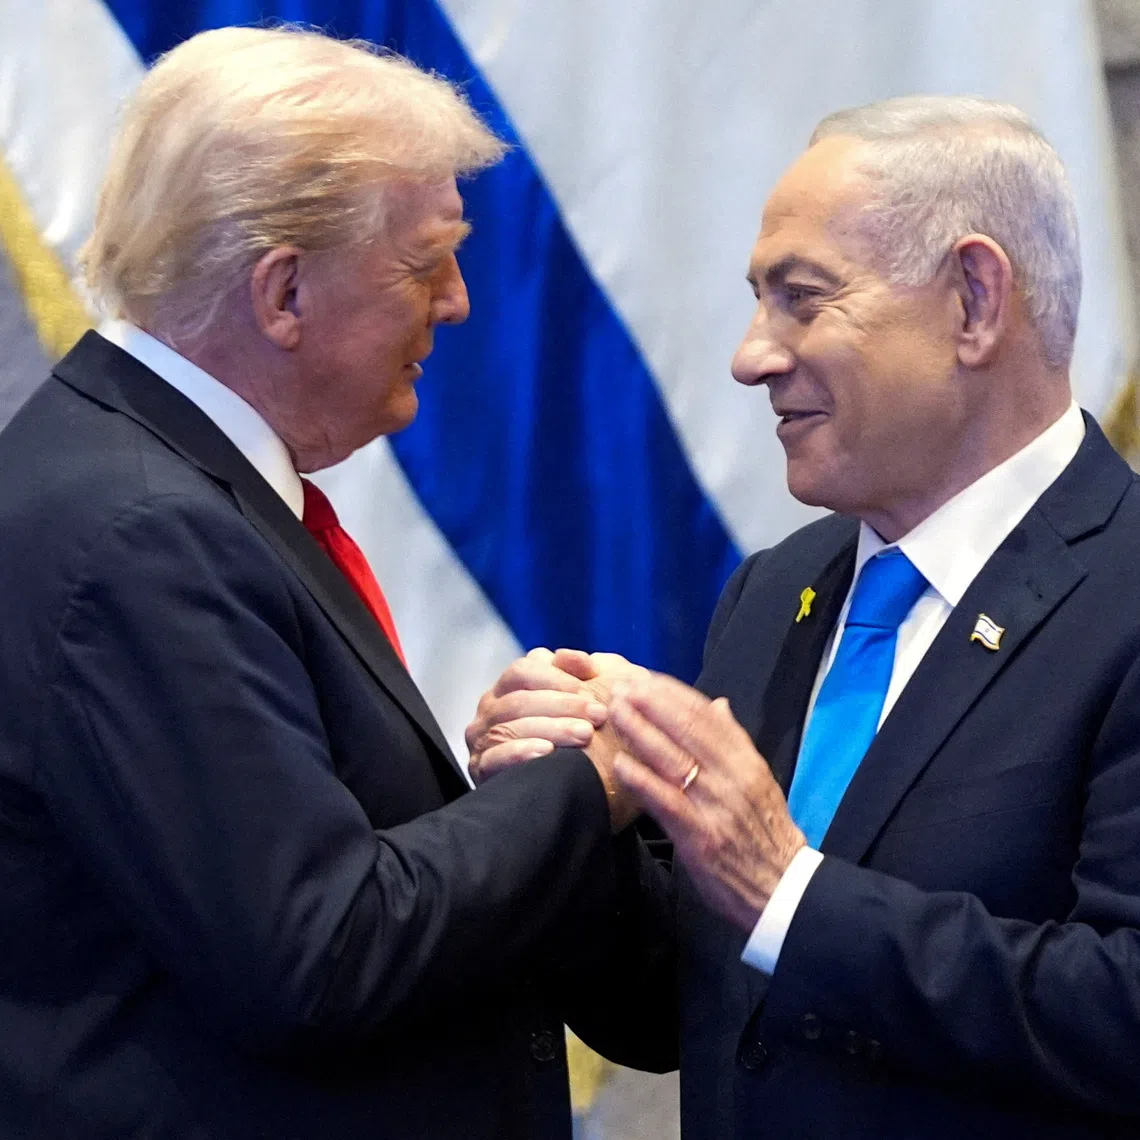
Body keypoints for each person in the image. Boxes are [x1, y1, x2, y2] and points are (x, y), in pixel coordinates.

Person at [0, 26, 667, 1140]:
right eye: (423, 261)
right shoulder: (143, 532)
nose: (455, 301)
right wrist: (588, 778)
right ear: (283, 292)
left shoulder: (159, 483)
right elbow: (317, 950)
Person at [468, 96, 1140, 1137]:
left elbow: (1124, 1014)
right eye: (757, 303)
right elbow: (678, 1014)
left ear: (974, 299)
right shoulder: (779, 590)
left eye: (802, 300)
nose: (753, 356)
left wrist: (788, 890)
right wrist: (571, 817)